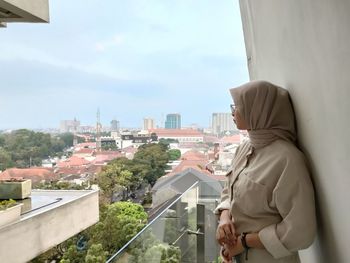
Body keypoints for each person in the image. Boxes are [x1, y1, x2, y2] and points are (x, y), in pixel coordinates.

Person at [215, 80, 316, 263]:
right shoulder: (244, 148)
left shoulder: (287, 159)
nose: (233, 111)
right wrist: (224, 218)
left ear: (259, 110)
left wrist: (246, 242)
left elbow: (302, 231)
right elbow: (229, 188)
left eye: (238, 106)